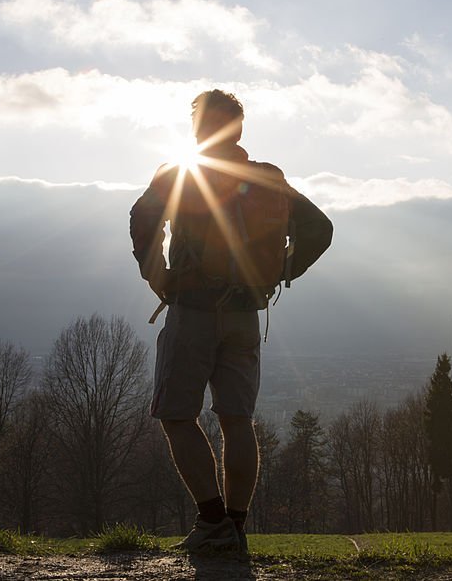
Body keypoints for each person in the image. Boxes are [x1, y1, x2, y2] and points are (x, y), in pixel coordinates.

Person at [129, 89, 332, 553]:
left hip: (193, 312)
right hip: (246, 314)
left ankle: (212, 521)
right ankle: (235, 528)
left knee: (177, 415)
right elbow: (321, 229)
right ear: (238, 129)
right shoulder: (267, 179)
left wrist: (158, 276)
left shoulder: (179, 171)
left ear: (198, 128)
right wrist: (279, 272)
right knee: (237, 420)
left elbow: (143, 222)